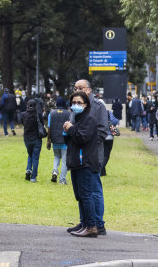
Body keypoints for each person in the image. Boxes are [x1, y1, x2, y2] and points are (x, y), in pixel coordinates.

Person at [67, 80, 108, 236]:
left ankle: (97, 223)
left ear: (89, 90)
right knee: (82, 192)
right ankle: (85, 221)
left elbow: (102, 131)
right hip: (77, 154)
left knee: (93, 190)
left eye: (81, 88)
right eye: (75, 88)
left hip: (91, 155)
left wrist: (87, 145)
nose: (77, 90)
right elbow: (74, 129)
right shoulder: (76, 110)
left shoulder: (98, 107)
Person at [64, 91, 100, 237]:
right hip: (75, 162)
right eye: (74, 103)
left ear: (86, 105)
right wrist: (67, 131)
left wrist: (70, 129)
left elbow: (82, 138)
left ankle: (91, 226)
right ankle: (84, 223)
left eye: (79, 103)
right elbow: (71, 140)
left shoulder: (89, 119)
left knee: (86, 195)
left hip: (85, 162)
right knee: (79, 195)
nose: (76, 105)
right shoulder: (76, 118)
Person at [47, 97, 70, 184]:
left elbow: (49, 128)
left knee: (56, 156)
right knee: (64, 160)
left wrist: (48, 140)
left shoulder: (51, 114)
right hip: (65, 140)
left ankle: (55, 171)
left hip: (55, 139)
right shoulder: (68, 113)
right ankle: (62, 180)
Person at [22, 99, 43, 183]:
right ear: (35, 106)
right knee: (36, 157)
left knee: (30, 154)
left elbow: (22, 122)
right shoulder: (38, 115)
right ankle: (33, 176)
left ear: (27, 105)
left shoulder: (24, 114)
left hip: (27, 138)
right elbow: (42, 124)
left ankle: (28, 169)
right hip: (37, 138)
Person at [102, 103, 119, 176]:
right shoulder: (108, 112)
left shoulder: (94, 113)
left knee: (100, 154)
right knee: (106, 155)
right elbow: (115, 121)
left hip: (99, 136)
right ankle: (100, 170)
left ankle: (102, 171)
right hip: (109, 136)